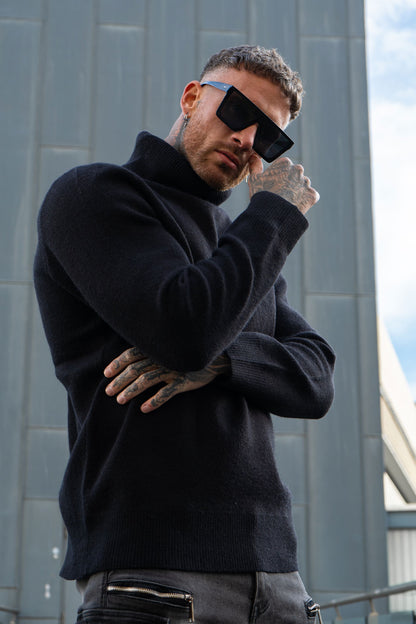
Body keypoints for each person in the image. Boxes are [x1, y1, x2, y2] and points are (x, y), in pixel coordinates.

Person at [34, 45, 335, 623]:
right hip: (153, 575)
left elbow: (317, 377)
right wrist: (274, 213)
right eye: (238, 110)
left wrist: (224, 362)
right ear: (193, 97)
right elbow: (185, 329)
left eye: (270, 138)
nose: (248, 139)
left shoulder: (242, 248)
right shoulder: (93, 195)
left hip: (279, 581)